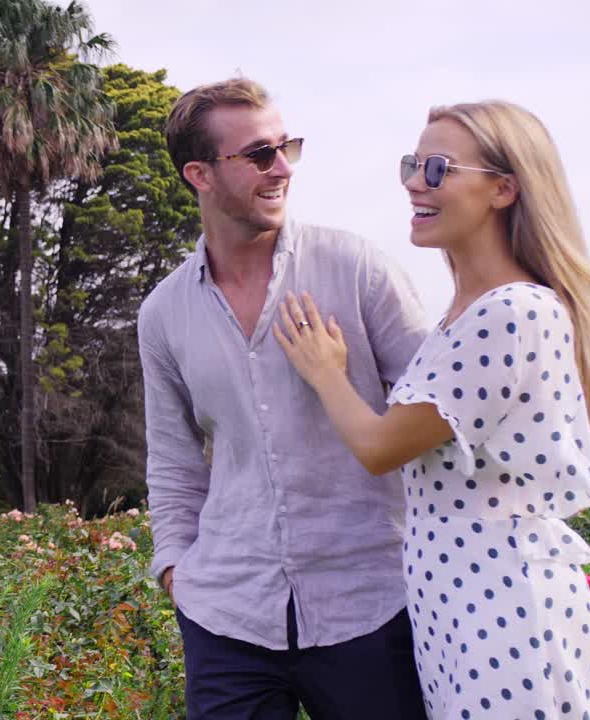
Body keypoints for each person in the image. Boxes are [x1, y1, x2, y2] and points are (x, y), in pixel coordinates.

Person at [274, 100, 590, 719]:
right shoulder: (463, 316)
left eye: (436, 168)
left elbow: (382, 448)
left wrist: (326, 372)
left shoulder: (512, 313)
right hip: (462, 609)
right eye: (412, 164)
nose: (413, 182)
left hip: (507, 612)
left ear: (503, 189)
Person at [140, 77, 430, 719]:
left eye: (285, 147)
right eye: (258, 155)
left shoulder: (355, 268)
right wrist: (175, 572)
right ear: (200, 174)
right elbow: (172, 460)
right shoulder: (163, 313)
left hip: (372, 604)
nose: (282, 169)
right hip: (225, 615)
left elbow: (438, 412)